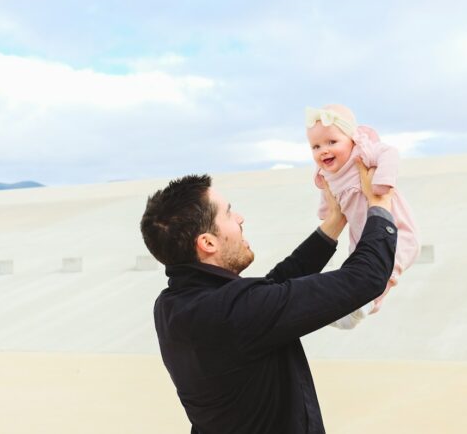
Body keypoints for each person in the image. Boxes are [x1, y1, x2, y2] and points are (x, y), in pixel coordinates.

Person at [140, 160, 397, 434]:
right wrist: (380, 204)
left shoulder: (171, 305)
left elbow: (270, 291)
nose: (240, 218)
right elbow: (364, 278)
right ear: (208, 243)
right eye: (228, 214)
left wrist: (333, 223)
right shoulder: (235, 312)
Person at [306, 104, 420, 329]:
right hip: (361, 235)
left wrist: (382, 182)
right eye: (316, 146)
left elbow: (390, 153)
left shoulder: (363, 153)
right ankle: (347, 307)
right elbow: (327, 196)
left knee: (385, 265)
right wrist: (327, 213)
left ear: (352, 138)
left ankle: (365, 305)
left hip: (394, 227)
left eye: (332, 142)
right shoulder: (327, 173)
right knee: (356, 267)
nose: (323, 150)